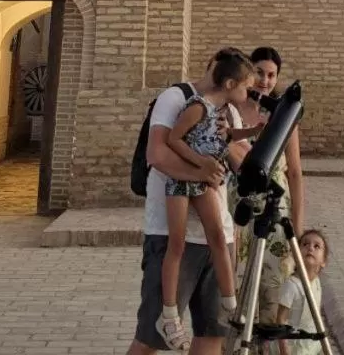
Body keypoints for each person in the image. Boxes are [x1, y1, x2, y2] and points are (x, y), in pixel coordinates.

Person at [127, 51, 251, 355]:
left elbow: (242, 163)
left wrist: (231, 140)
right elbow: (158, 154)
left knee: (212, 334)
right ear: (225, 76)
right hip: (172, 234)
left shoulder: (229, 111)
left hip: (218, 233)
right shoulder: (176, 98)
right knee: (149, 341)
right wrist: (201, 170)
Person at [232, 46, 306, 343]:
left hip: (276, 210)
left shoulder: (283, 116)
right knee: (237, 286)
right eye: (260, 73)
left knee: (273, 288)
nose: (265, 80)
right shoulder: (235, 109)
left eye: (272, 75)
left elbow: (296, 173)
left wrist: (298, 226)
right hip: (240, 207)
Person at [274, 229, 329, 355]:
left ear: (323, 262)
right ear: (296, 254)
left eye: (317, 246)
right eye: (305, 244)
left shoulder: (316, 282)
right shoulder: (291, 285)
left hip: (312, 344)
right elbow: (280, 319)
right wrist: (284, 349)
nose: (310, 248)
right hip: (293, 346)